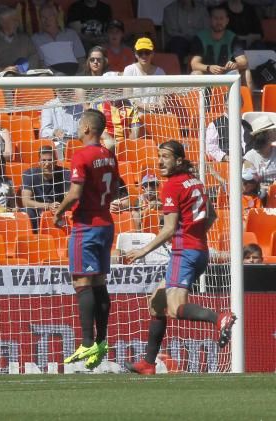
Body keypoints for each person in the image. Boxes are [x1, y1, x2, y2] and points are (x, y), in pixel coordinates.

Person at [122, 140, 237, 375]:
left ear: (179, 160)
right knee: (157, 303)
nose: (160, 161)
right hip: (199, 251)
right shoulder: (196, 182)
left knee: (174, 309)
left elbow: (169, 229)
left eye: (165, 156)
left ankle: (220, 318)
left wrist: (143, 251)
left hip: (183, 253)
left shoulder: (172, 186)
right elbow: (211, 215)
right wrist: (194, 235)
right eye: (159, 156)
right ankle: (148, 363)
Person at [53, 109, 122, 371]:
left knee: (81, 281)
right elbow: (115, 189)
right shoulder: (109, 155)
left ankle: (86, 341)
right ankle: (102, 340)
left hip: (86, 226)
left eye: (80, 125)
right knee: (99, 281)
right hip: (106, 223)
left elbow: (74, 193)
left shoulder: (82, 155)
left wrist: (59, 212)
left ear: (86, 129)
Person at [189, 7, 249, 81]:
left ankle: (248, 93)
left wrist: (236, 64)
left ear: (227, 21)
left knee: (247, 72)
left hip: (226, 76)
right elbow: (194, 64)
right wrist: (209, 68)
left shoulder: (232, 37)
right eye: (215, 18)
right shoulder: (200, 37)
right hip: (206, 75)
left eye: (221, 18)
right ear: (210, 20)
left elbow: (244, 62)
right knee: (196, 73)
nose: (219, 22)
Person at [22, 147, 70, 230]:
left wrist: (61, 207)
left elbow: (69, 197)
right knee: (27, 211)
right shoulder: (29, 174)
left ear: (55, 161)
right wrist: (48, 206)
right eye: (44, 160)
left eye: (50, 160)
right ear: (39, 162)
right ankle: (34, 237)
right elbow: (25, 202)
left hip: (60, 209)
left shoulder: (65, 173)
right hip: (38, 208)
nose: (47, 164)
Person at [0, 9, 40, 75]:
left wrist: (24, 69)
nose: (17, 23)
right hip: (3, 82)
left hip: (25, 79)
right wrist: (5, 70)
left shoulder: (25, 39)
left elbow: (35, 58)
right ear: (3, 23)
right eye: (14, 20)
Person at [32, 4, 85, 75]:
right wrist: (57, 75)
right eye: (43, 17)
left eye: (50, 16)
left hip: (75, 73)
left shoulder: (71, 34)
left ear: (56, 17)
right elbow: (40, 63)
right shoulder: (36, 38)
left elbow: (81, 58)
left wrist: (77, 75)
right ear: (39, 19)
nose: (47, 20)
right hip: (51, 76)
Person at [162, 0, 209, 66]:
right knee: (177, 43)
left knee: (200, 42)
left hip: (196, 40)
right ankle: (179, 72)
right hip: (178, 42)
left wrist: (194, 38)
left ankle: (199, 70)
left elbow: (206, 29)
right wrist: (188, 36)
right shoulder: (169, 9)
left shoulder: (202, 9)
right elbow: (171, 32)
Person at [243, 112, 276, 186]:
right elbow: (248, 184)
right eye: (273, 130)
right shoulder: (249, 158)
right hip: (259, 195)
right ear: (267, 135)